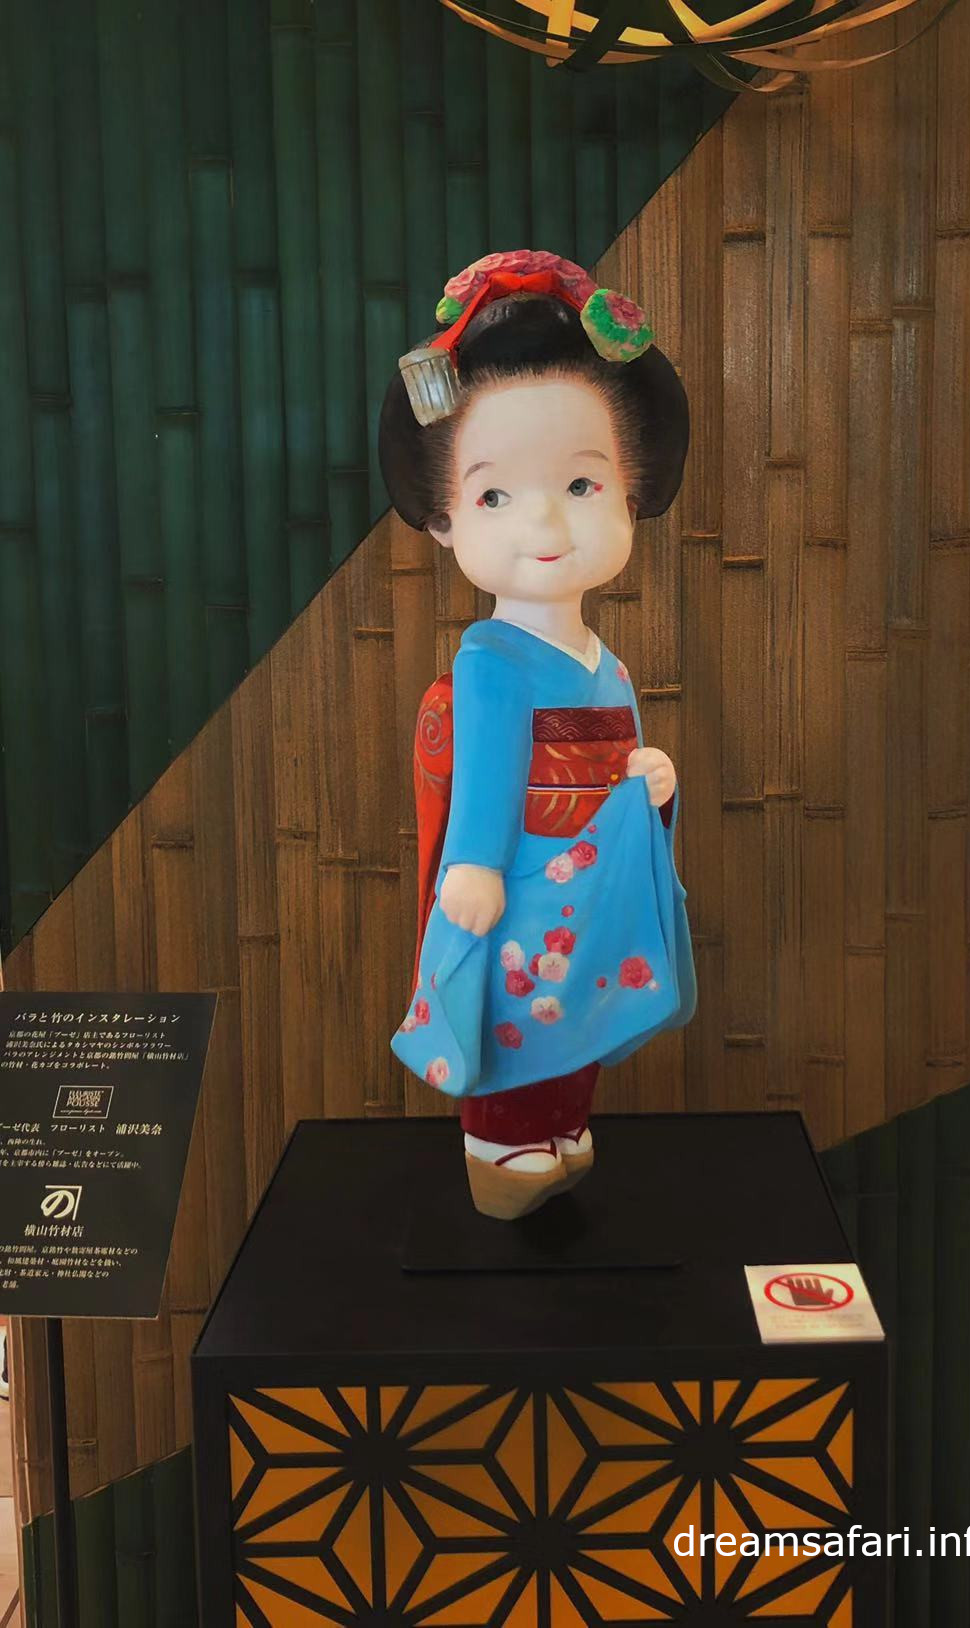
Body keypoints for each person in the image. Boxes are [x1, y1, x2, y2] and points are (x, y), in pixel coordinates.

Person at [379, 250, 696, 1220]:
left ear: (633, 493)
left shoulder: (609, 665)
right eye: (494, 496)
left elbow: (621, 758)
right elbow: (484, 778)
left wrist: (654, 786)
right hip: (518, 882)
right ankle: (504, 1143)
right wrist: (472, 864)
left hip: (592, 882)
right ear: (444, 517)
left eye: (583, 485)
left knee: (580, 1013)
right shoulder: (491, 661)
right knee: (518, 1015)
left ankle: (564, 1129)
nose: (545, 523)